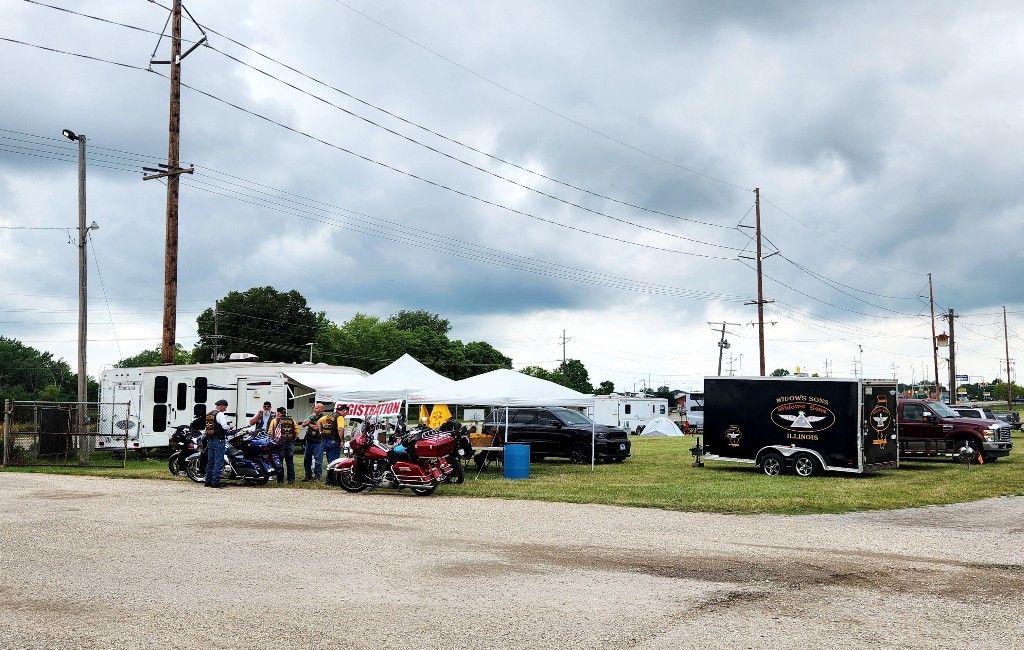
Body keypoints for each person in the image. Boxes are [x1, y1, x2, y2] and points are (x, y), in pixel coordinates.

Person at [204, 399, 232, 488]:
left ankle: (207, 480)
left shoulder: (209, 414)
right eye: (225, 407)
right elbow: (224, 426)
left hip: (210, 440)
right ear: (222, 406)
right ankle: (215, 482)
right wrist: (230, 427)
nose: (225, 409)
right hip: (219, 440)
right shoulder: (220, 414)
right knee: (218, 461)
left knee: (210, 461)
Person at [268, 406, 299, 484]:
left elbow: (270, 432)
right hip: (290, 442)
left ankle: (280, 480)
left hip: (280, 443)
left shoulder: (275, 420)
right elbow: (296, 431)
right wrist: (293, 439)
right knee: (290, 461)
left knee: (279, 461)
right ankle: (291, 479)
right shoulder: (292, 420)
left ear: (278, 413)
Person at [320, 404, 348, 479]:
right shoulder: (340, 417)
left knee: (330, 461)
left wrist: (320, 431)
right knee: (334, 462)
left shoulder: (330, 416)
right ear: (344, 410)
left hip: (326, 440)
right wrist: (342, 440)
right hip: (334, 441)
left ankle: (329, 479)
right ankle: (330, 480)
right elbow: (340, 429)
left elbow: (319, 421)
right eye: (347, 412)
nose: (346, 414)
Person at [300, 403, 325, 482]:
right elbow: (303, 424)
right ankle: (308, 475)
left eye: (317, 408)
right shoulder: (311, 416)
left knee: (318, 460)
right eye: (315, 408)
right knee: (307, 459)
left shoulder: (323, 418)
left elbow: (318, 428)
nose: (314, 409)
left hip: (318, 441)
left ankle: (317, 476)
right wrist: (311, 418)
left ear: (321, 409)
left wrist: (309, 424)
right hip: (309, 440)